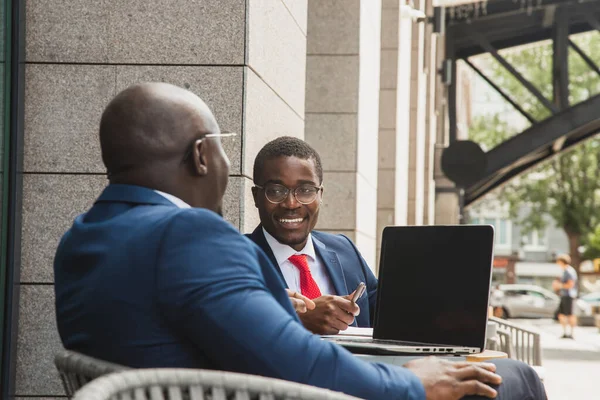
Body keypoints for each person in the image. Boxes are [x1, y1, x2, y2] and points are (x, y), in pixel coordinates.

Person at [54, 82, 547, 400]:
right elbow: (296, 361)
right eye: (225, 150)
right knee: (514, 377)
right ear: (202, 156)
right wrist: (414, 384)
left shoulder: (82, 238)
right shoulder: (190, 235)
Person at [247, 136, 377, 334]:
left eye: (306, 190)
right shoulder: (233, 258)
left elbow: (390, 315)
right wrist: (295, 320)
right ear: (256, 196)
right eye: (276, 191)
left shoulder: (345, 250)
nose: (291, 203)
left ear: (320, 195)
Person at [552, 253, 578, 338]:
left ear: (562, 262)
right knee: (561, 315)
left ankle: (571, 333)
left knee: (570, 314)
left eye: (558, 262)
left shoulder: (569, 271)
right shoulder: (564, 271)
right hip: (564, 295)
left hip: (569, 296)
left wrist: (559, 285)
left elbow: (570, 284)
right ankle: (565, 332)